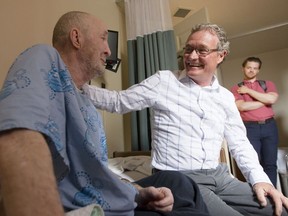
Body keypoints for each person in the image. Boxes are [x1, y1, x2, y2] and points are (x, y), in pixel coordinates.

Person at [0, 11, 210, 216]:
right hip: (79, 204)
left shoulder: (85, 102)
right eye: (103, 38)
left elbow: (96, 172)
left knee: (180, 183)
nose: (109, 50)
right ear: (76, 38)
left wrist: (137, 193)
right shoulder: (43, 56)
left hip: (101, 195)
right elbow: (17, 133)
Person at [84, 23, 288, 216]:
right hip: (180, 178)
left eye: (202, 50)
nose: (191, 56)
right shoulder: (164, 81)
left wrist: (261, 181)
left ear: (221, 55)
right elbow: (118, 101)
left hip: (221, 177)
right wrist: (75, 84)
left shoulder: (225, 96)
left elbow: (240, 143)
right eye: (188, 49)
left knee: (278, 209)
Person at [231, 57, 279, 187]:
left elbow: (272, 99)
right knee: (253, 164)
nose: (252, 70)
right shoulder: (236, 88)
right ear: (243, 68)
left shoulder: (267, 84)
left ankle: (272, 196)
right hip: (250, 129)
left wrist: (249, 91)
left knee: (270, 163)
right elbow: (241, 107)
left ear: (258, 70)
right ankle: (258, 197)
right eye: (249, 67)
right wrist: (265, 100)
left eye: (255, 68)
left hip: (270, 126)